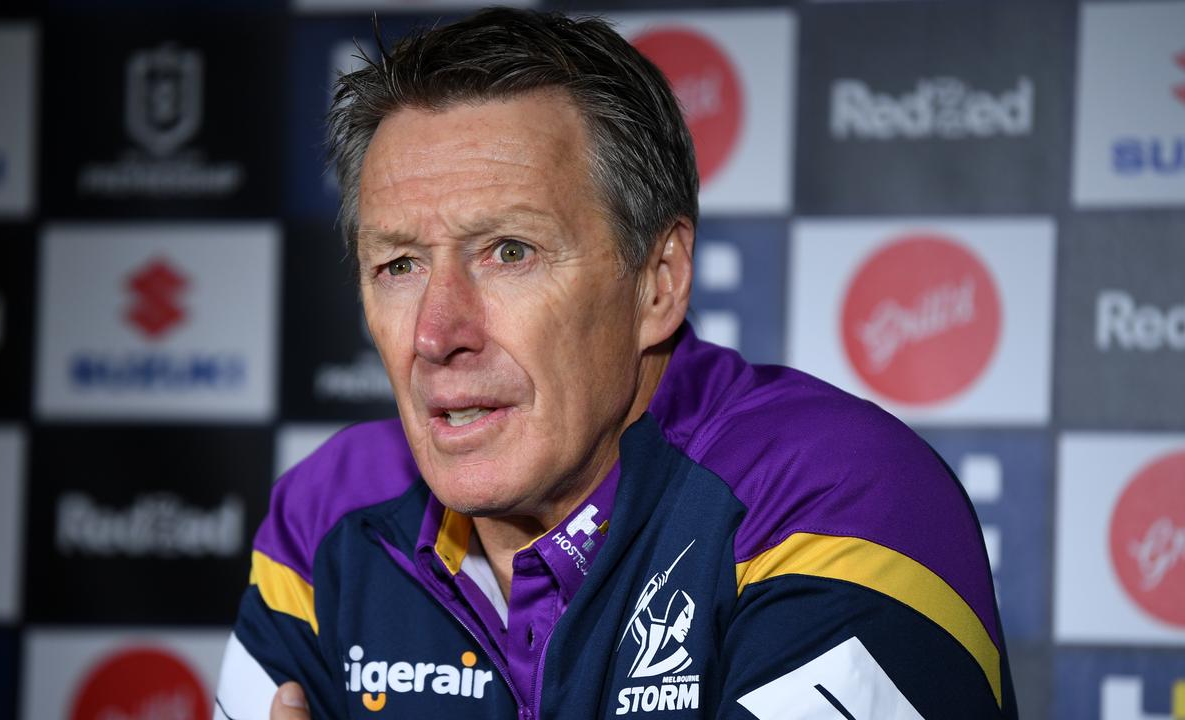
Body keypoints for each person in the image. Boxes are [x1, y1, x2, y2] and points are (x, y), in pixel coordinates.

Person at [214, 8, 1017, 719]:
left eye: (509, 251)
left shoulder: (835, 495)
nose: (437, 332)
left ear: (658, 283)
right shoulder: (324, 520)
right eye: (398, 265)